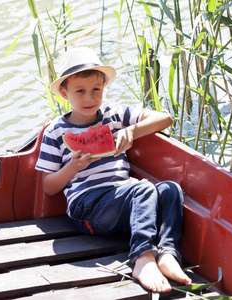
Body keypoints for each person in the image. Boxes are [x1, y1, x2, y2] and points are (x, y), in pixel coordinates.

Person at [35, 47, 192, 293]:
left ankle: (168, 254)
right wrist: (72, 167)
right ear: (64, 93)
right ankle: (143, 258)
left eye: (96, 89)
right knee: (142, 189)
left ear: (104, 87)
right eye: (80, 91)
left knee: (170, 190)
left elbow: (165, 118)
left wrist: (131, 131)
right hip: (87, 209)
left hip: (128, 200)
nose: (90, 98)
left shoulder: (115, 114)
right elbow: (48, 186)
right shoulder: (56, 131)